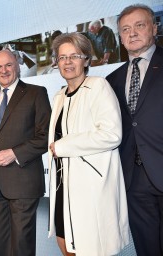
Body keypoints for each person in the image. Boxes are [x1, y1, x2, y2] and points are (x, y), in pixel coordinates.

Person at [48, 32, 129, 256]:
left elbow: (111, 134)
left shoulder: (98, 86)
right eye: (62, 57)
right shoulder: (59, 97)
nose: (67, 62)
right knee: (65, 245)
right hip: (63, 187)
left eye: (74, 56)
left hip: (90, 188)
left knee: (91, 249)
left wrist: (64, 146)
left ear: (86, 59)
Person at [0, 49, 51, 256]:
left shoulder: (37, 93)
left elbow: (46, 136)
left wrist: (15, 153)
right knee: (1, 245)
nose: (4, 70)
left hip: (24, 182)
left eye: (8, 65)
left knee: (21, 246)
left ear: (17, 65)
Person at [106, 4, 163, 256]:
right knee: (147, 247)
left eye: (139, 25)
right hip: (133, 178)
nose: (132, 33)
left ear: (154, 27)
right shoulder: (111, 80)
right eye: (125, 29)